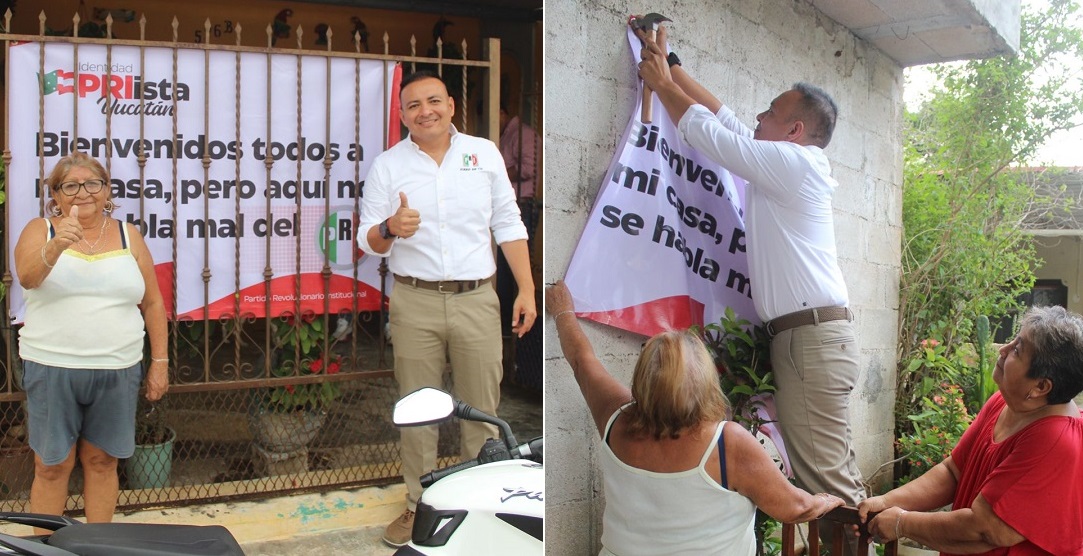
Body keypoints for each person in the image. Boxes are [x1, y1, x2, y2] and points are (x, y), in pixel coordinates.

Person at [632, 21, 867, 549]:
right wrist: (672, 69)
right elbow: (730, 122)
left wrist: (660, 82)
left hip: (810, 340)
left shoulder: (794, 164)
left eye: (772, 112)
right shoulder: (786, 162)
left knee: (825, 482)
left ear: (794, 131)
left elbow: (712, 135)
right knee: (828, 473)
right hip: (808, 338)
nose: (759, 116)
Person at [356, 70, 537, 547]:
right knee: (418, 410)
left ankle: (480, 505)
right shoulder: (388, 165)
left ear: (452, 105)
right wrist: (391, 227)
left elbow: (507, 220)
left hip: (477, 297)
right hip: (414, 300)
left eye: (433, 101)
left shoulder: (483, 153)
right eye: (413, 105)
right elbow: (366, 240)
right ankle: (418, 504)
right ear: (401, 115)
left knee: (481, 409)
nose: (425, 111)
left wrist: (526, 288)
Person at [546, 280, 844, 555]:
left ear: (643, 380)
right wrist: (825, 501)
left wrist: (563, 312)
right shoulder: (727, 443)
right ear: (706, 383)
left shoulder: (616, 419)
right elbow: (793, 507)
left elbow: (582, 360)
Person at [13, 151, 169, 528]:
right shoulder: (41, 229)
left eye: (92, 184)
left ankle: (98, 544)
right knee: (52, 466)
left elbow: (152, 302)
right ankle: (45, 549)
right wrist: (56, 246)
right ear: (56, 196)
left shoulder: (129, 235)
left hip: (117, 369)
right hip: (51, 367)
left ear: (106, 190)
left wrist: (160, 363)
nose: (82, 193)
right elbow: (27, 278)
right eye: (70, 186)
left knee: (102, 461)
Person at [858, 305, 1083, 554]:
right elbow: (953, 471)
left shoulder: (1054, 440)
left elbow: (985, 528)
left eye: (1017, 351)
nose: (1003, 350)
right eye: (1013, 341)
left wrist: (902, 523)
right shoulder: (1005, 402)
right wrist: (888, 501)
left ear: (1041, 386)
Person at [496, 104, 541, 341]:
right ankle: (507, 322)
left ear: (503, 112)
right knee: (502, 268)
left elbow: (528, 168)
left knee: (514, 270)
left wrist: (498, 176)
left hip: (523, 205)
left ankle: (514, 323)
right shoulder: (506, 135)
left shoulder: (523, 134)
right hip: (508, 207)